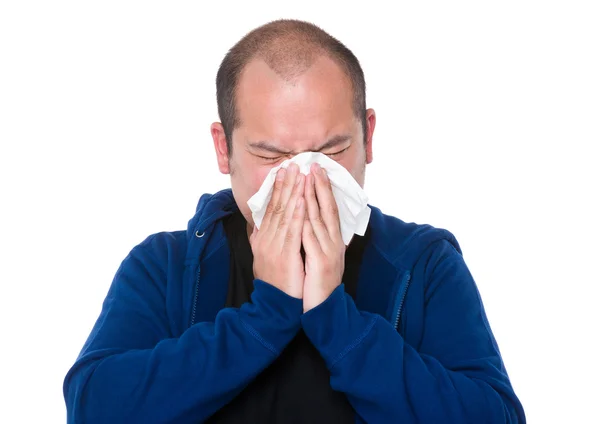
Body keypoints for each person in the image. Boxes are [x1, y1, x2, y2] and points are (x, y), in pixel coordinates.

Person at [63, 19, 526, 423]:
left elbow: (495, 415)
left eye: (331, 151)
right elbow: (93, 407)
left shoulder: (423, 265)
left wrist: (336, 320)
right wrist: (263, 319)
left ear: (368, 137)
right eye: (273, 154)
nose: (305, 174)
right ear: (224, 149)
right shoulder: (165, 266)